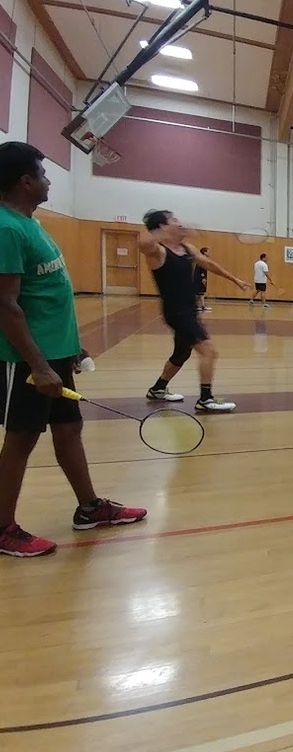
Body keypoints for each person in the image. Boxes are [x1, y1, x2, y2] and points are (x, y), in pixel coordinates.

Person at [0, 141, 146, 557]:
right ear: (25, 181)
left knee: (68, 429)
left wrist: (71, 345)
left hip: (55, 353)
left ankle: (89, 508)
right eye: (42, 174)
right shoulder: (7, 229)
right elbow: (6, 306)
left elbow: (45, 295)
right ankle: (2, 527)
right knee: (21, 440)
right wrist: (39, 365)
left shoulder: (30, 222)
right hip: (27, 361)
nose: (48, 180)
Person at [140, 211, 246, 412]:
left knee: (181, 354)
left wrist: (235, 280)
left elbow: (209, 264)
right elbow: (143, 244)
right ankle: (205, 399)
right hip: (177, 313)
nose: (180, 223)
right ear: (162, 226)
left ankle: (158, 389)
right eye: (174, 221)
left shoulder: (187, 248)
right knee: (209, 351)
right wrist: (160, 233)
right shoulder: (159, 252)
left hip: (189, 310)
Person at [194, 247, 211, 312]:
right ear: (204, 252)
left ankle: (200, 305)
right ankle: (199, 306)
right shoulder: (201, 260)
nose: (209, 253)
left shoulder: (204, 259)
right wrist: (202, 277)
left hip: (201, 277)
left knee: (200, 293)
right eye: (207, 251)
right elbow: (200, 269)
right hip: (199, 278)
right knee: (199, 293)